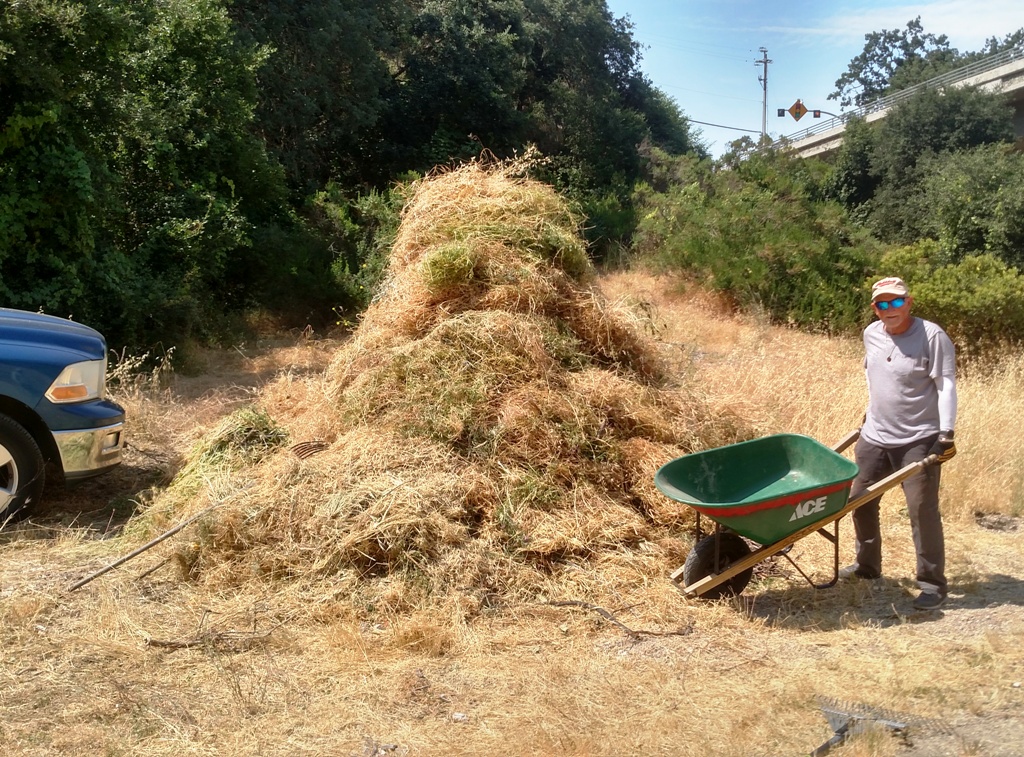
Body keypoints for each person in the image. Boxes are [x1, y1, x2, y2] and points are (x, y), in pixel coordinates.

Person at [841, 276, 958, 610]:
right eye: (882, 303)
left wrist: (945, 434)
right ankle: (867, 566)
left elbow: (945, 385)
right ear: (874, 308)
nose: (889, 309)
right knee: (858, 499)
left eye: (896, 302)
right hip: (875, 435)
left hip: (918, 438)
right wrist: (868, 413)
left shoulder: (932, 336)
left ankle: (932, 584)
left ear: (909, 302)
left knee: (922, 510)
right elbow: (874, 376)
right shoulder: (871, 334)